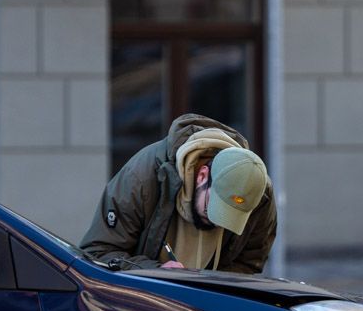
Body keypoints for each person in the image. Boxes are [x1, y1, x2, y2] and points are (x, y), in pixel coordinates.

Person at [80, 113, 275, 273]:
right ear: (202, 176)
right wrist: (157, 272)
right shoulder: (142, 177)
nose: (219, 222)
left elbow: (248, 263)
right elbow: (97, 254)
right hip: (141, 303)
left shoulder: (258, 194)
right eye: (212, 207)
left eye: (232, 217)